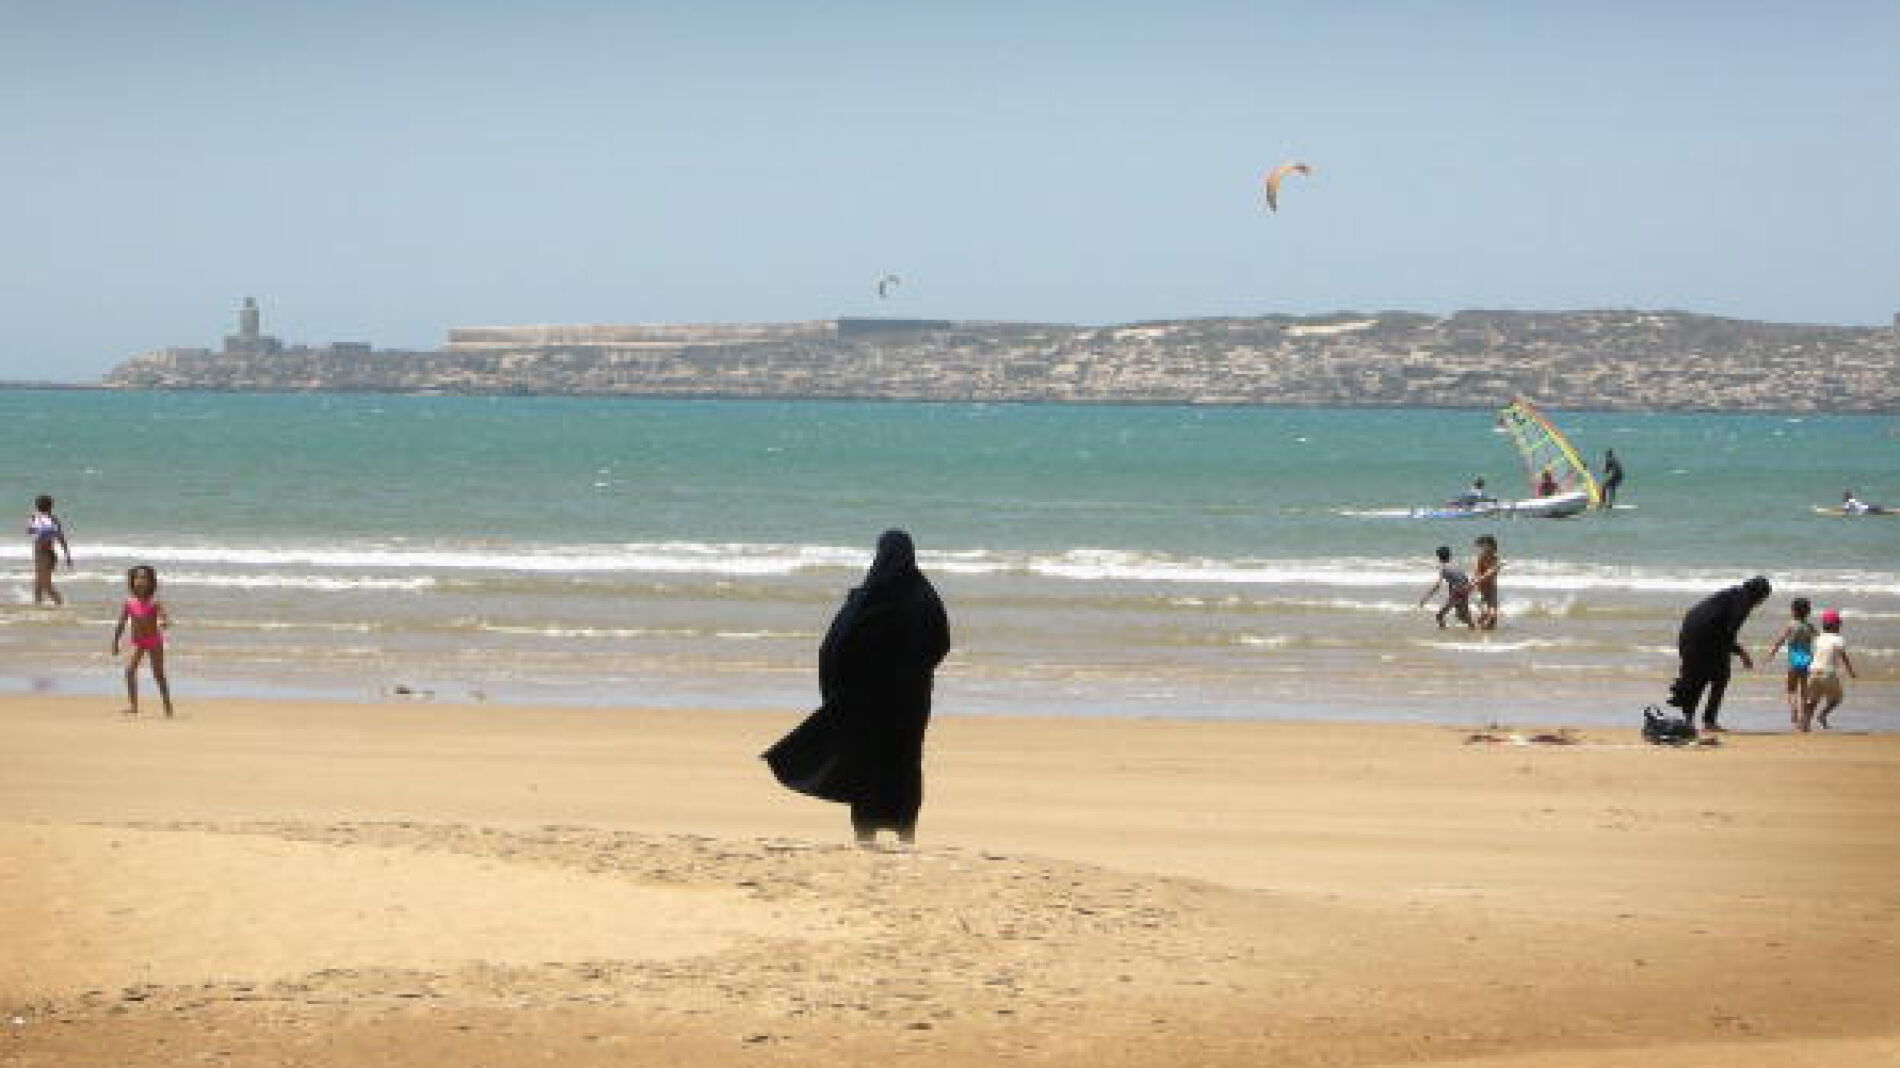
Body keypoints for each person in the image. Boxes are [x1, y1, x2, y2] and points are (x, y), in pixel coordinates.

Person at [763, 529, 951, 846]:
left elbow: (837, 646)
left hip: (868, 701)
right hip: (910, 701)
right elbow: (940, 643)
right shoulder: (924, 597)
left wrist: (840, 686)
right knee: (904, 761)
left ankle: (866, 831)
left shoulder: (867, 597)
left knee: (870, 762)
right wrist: (913, 672)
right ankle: (905, 831)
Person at [1666, 576, 1770, 734]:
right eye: (1763, 598)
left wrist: (1735, 650)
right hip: (1703, 637)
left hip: (1689, 633)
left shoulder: (1733, 594)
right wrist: (1741, 653)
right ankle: (1708, 721)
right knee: (1720, 676)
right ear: (1758, 594)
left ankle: (1689, 719)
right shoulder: (1743, 602)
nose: (1761, 602)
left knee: (1696, 677)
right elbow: (1729, 632)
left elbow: (1722, 631)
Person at [111, 565, 174, 717]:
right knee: (130, 671)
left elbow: (164, 617)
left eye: (144, 578)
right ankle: (133, 706)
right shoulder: (129, 602)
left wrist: (165, 622)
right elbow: (121, 622)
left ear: (151, 582)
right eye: (138, 577)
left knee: (158, 674)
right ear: (132, 581)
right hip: (137, 642)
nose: (141, 581)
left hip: (154, 641)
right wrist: (115, 641)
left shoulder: (154, 602)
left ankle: (167, 706)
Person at [1763, 598, 1817, 729]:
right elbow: (1820, 640)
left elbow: (1780, 641)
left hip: (1793, 662)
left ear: (1793, 611)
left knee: (1791, 690)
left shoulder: (1791, 625)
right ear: (1808, 612)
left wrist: (1771, 654)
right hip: (1807, 661)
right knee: (1804, 691)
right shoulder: (1810, 627)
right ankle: (1804, 720)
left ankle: (1794, 711)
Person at [1804, 609, 1858, 730]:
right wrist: (1850, 671)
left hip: (1812, 671)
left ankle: (1805, 724)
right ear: (1835, 625)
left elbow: (1815, 654)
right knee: (1837, 698)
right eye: (1839, 623)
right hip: (1828, 673)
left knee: (1812, 700)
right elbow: (1844, 657)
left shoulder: (1818, 638)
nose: (1840, 626)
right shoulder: (1838, 639)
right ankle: (1822, 715)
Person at [26, 494, 73, 606]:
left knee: (45, 584)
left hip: (47, 555)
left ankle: (61, 604)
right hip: (40, 554)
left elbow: (60, 537)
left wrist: (67, 556)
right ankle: (38, 606)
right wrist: (67, 555)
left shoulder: (51, 520)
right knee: (38, 583)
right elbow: (29, 531)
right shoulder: (36, 518)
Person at [1418, 545, 1474, 629]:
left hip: (1458, 592)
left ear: (1439, 557)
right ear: (1450, 555)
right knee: (1462, 616)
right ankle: (1474, 629)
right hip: (1466, 589)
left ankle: (1443, 634)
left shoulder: (1443, 568)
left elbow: (1438, 585)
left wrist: (1426, 597)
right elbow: (1464, 578)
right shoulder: (1456, 565)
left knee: (1440, 616)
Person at [1471, 534, 1503, 630]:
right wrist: (1475, 582)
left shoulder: (1496, 559)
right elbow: (1476, 572)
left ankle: (1486, 631)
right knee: (1485, 612)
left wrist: (1479, 578)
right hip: (1480, 588)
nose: (1482, 549)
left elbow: (1491, 572)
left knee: (1493, 616)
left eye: (1483, 546)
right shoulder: (1479, 558)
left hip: (1491, 588)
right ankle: (1481, 628)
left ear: (1491, 546)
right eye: (1481, 546)